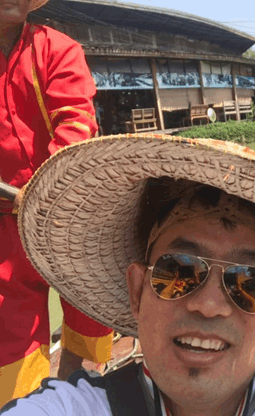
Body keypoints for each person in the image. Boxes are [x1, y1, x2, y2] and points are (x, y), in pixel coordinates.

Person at [1, 135, 255, 416]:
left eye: (249, 283)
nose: (208, 305)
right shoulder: (72, 409)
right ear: (137, 292)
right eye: (178, 271)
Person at [0, 0, 113, 405]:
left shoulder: (58, 48)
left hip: (67, 213)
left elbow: (76, 124)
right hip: (3, 225)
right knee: (10, 335)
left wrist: (42, 194)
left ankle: (74, 394)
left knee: (88, 315)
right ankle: (30, 406)